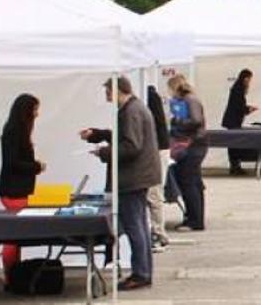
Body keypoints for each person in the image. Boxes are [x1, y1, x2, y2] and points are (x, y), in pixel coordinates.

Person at [80, 76, 162, 290]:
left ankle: (141, 273)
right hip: (140, 176)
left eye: (108, 92)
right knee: (140, 226)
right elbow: (125, 137)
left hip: (133, 178)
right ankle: (143, 271)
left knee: (136, 226)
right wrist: (98, 135)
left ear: (118, 90)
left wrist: (103, 152)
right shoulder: (134, 108)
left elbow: (131, 146)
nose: (107, 97)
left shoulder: (131, 111)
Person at [0, 93, 45, 285]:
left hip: (20, 189)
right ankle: (10, 275)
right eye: (34, 109)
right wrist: (35, 166)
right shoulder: (13, 132)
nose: (37, 114)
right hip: (13, 191)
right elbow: (12, 163)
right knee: (13, 236)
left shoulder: (19, 131)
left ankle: (14, 274)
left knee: (15, 236)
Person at [167, 73, 208, 232]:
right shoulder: (190, 99)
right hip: (195, 143)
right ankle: (195, 217)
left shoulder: (189, 100)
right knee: (194, 182)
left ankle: (194, 220)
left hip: (193, 144)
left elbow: (196, 121)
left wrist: (177, 121)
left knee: (188, 181)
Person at [145, 85, 171, 252]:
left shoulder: (148, 95)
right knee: (155, 193)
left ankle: (158, 233)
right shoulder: (151, 94)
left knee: (154, 194)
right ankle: (158, 232)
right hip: (159, 148)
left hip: (157, 149)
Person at [222, 69, 257, 176]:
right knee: (234, 145)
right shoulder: (238, 89)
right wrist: (248, 109)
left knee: (234, 144)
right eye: (250, 79)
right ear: (246, 78)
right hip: (233, 121)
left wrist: (247, 109)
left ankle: (235, 166)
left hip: (233, 120)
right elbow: (238, 106)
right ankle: (235, 166)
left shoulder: (237, 88)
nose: (250, 82)